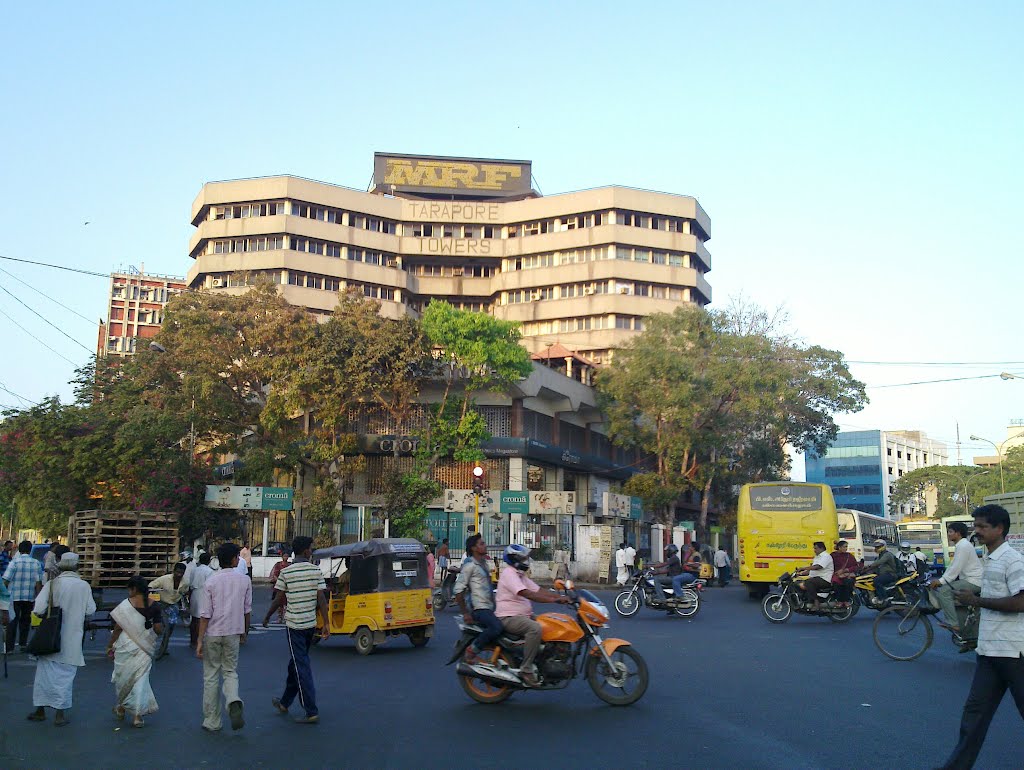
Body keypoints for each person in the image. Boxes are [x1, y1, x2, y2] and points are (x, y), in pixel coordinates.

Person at [935, 505, 1024, 770]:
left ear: (1000, 529)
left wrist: (977, 601)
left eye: (983, 527)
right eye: (976, 526)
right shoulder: (989, 558)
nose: (977, 531)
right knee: (973, 717)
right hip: (989, 652)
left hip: (1013, 652)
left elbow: (1021, 602)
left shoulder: (1013, 560)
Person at [263, 536, 329, 724]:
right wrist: (326, 623)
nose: (312, 551)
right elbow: (321, 600)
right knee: (296, 664)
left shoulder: (287, 572)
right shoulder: (315, 571)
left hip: (294, 626)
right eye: (311, 548)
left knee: (301, 667)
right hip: (310, 625)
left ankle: (311, 710)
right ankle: (285, 702)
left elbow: (279, 599)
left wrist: (268, 616)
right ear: (306, 551)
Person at [26, 553, 96, 727]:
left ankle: (40, 710)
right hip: (72, 640)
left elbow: (38, 609)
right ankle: (59, 715)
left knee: (44, 676)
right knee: (65, 678)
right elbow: (90, 610)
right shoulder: (83, 586)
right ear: (77, 567)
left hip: (50, 638)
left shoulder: (51, 584)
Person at [495, 544, 570, 686]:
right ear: (514, 559)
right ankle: (526, 669)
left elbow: (538, 590)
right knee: (535, 628)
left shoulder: (520, 575)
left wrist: (558, 596)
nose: (526, 561)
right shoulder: (509, 574)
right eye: (523, 558)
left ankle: (545, 658)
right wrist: (554, 600)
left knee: (551, 623)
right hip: (508, 617)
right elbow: (528, 594)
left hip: (522, 615)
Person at [198, 542, 252, 732]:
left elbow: (205, 614)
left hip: (212, 633)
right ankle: (233, 700)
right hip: (233, 633)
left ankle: (212, 721)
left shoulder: (211, 581)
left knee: (211, 676)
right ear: (233, 559)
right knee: (230, 671)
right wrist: (244, 632)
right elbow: (247, 611)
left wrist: (199, 641)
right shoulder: (244, 580)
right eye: (237, 556)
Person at [107, 576, 162, 728]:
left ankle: (128, 710)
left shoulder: (125, 605)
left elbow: (118, 628)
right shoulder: (154, 605)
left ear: (134, 589)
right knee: (140, 680)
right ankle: (131, 712)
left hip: (125, 646)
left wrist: (110, 645)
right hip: (145, 648)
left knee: (123, 679)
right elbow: (158, 629)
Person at [930, 521, 984, 646]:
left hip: (974, 581)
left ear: (958, 533)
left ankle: (953, 623)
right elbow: (952, 567)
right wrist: (942, 579)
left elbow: (956, 568)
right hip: (969, 579)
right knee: (953, 596)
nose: (948, 534)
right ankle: (966, 634)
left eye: (950, 532)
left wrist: (941, 581)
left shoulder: (963, 546)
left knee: (944, 592)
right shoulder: (961, 545)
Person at [454, 534, 501, 664]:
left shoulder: (484, 564)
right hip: (480, 609)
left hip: (490, 608)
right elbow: (458, 591)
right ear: (474, 548)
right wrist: (465, 613)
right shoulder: (470, 566)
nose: (485, 545)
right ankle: (472, 650)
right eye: (481, 543)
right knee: (497, 627)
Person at [4, 540, 43, 653]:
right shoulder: (36, 563)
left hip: (13, 597)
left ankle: (10, 647)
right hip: (29, 597)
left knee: (13, 621)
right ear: (30, 550)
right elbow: (38, 582)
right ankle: (23, 644)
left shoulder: (14, 562)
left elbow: (6, 580)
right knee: (25, 621)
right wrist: (38, 597)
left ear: (19, 550)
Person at [149, 562, 190, 658]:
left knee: (172, 624)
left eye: (181, 573)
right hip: (161, 603)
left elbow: (184, 593)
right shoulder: (164, 579)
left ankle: (165, 646)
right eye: (178, 572)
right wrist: (151, 592)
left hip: (173, 604)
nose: (179, 575)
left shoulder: (185, 582)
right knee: (157, 624)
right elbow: (151, 585)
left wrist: (186, 606)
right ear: (174, 571)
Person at [796, 541, 835, 612]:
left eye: (816, 548)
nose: (814, 550)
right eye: (814, 548)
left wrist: (803, 568)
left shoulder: (826, 556)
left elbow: (818, 567)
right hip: (817, 579)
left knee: (809, 582)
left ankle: (816, 603)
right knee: (797, 582)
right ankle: (806, 601)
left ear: (821, 548)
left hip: (824, 579)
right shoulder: (817, 557)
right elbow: (811, 570)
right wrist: (800, 574)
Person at [189, 553, 214, 648]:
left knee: (194, 619)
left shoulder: (194, 570)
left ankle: (192, 639)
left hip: (194, 593)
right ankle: (199, 639)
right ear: (209, 561)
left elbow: (190, 585)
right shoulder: (209, 571)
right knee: (201, 618)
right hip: (203, 594)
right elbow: (210, 586)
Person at [868, 540, 901, 606]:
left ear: (883, 546)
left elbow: (879, 562)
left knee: (876, 581)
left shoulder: (887, 554)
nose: (876, 549)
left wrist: (868, 566)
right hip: (885, 574)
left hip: (891, 574)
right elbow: (875, 564)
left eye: (878, 547)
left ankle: (883, 598)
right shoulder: (880, 555)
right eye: (876, 547)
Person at [830, 540, 859, 605]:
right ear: (839, 547)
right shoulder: (833, 555)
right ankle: (839, 600)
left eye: (846, 547)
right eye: (844, 547)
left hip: (847, 575)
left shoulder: (849, 556)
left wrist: (846, 570)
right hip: (836, 575)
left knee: (849, 582)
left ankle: (846, 600)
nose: (846, 548)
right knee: (836, 584)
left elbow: (855, 566)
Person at [268, 550, 291, 624]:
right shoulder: (278, 565)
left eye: (287, 556)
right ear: (282, 556)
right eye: (284, 556)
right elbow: (275, 574)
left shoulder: (290, 565)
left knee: (286, 603)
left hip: (287, 586)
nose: (286, 557)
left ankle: (285, 618)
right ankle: (279, 617)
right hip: (279, 586)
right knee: (279, 602)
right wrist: (280, 582)